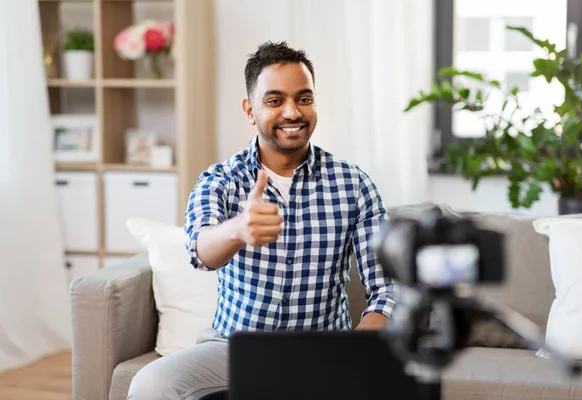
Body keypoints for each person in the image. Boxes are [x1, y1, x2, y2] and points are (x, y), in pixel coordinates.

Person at [127, 40, 396, 400]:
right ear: (250, 110)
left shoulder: (355, 185)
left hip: (323, 351)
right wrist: (238, 229)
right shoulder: (219, 180)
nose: (292, 112)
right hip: (232, 349)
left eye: (304, 98)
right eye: (275, 101)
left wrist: (355, 352)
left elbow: (387, 288)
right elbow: (199, 251)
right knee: (151, 384)